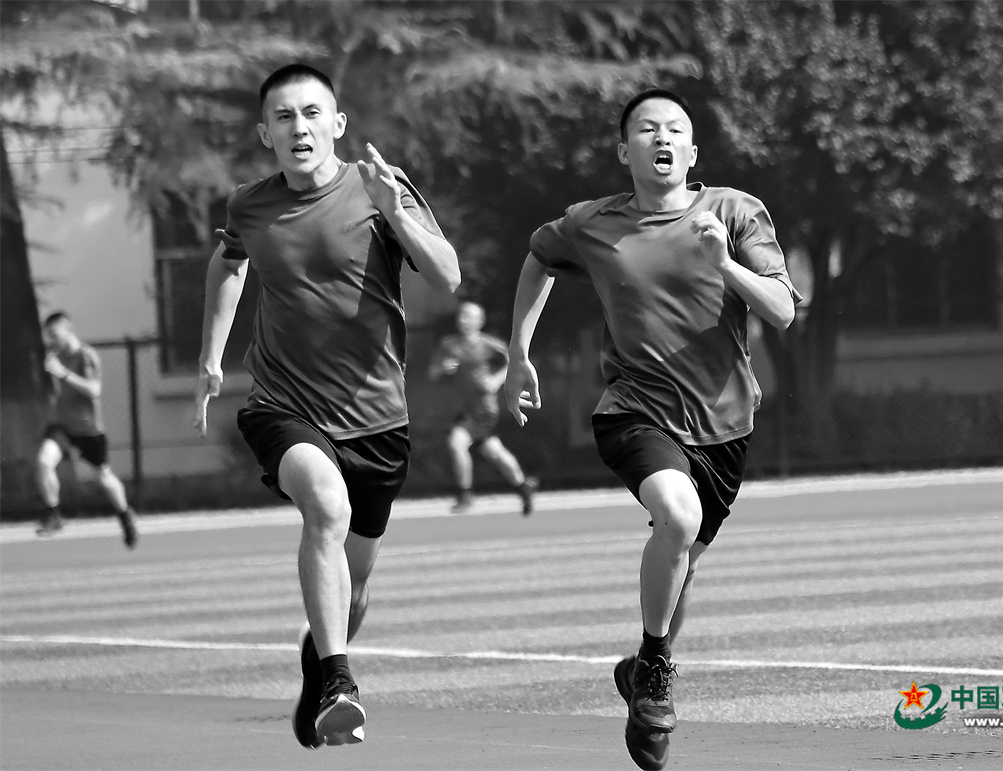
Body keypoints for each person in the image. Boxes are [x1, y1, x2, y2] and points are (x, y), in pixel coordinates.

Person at [503, 88, 801, 770]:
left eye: (674, 129)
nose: (661, 137)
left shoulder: (734, 211)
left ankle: (641, 671)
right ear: (624, 150)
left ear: (692, 152)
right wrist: (519, 350)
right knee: (678, 516)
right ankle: (660, 667)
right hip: (634, 408)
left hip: (725, 423)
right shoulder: (593, 222)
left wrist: (724, 262)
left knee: (682, 562)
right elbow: (539, 257)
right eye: (646, 129)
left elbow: (783, 310)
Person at [192, 63, 459, 750]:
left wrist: (396, 212)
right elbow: (228, 263)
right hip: (283, 405)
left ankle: (319, 664)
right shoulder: (249, 206)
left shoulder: (380, 187)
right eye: (283, 117)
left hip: (378, 419)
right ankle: (341, 682)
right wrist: (211, 357)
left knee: (357, 582)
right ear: (265, 134)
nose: (299, 127)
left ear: (337, 124)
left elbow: (448, 275)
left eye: (312, 113)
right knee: (326, 507)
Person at [34, 311, 138, 548]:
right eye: (48, 336)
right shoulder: (55, 357)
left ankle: (125, 516)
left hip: (88, 430)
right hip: (62, 428)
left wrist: (64, 374)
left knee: (104, 477)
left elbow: (94, 390)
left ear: (68, 331)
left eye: (54, 335)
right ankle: (54, 515)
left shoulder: (85, 355)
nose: (51, 340)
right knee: (43, 462)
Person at [428, 301, 538, 514]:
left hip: (484, 411)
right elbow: (433, 373)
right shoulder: (448, 345)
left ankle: (465, 495)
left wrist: (496, 381)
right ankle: (524, 487)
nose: (464, 320)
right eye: (462, 316)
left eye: (470, 317)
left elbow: (515, 361)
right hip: (464, 411)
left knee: (456, 443)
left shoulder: (489, 345)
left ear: (480, 321)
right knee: (494, 452)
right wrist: (442, 368)